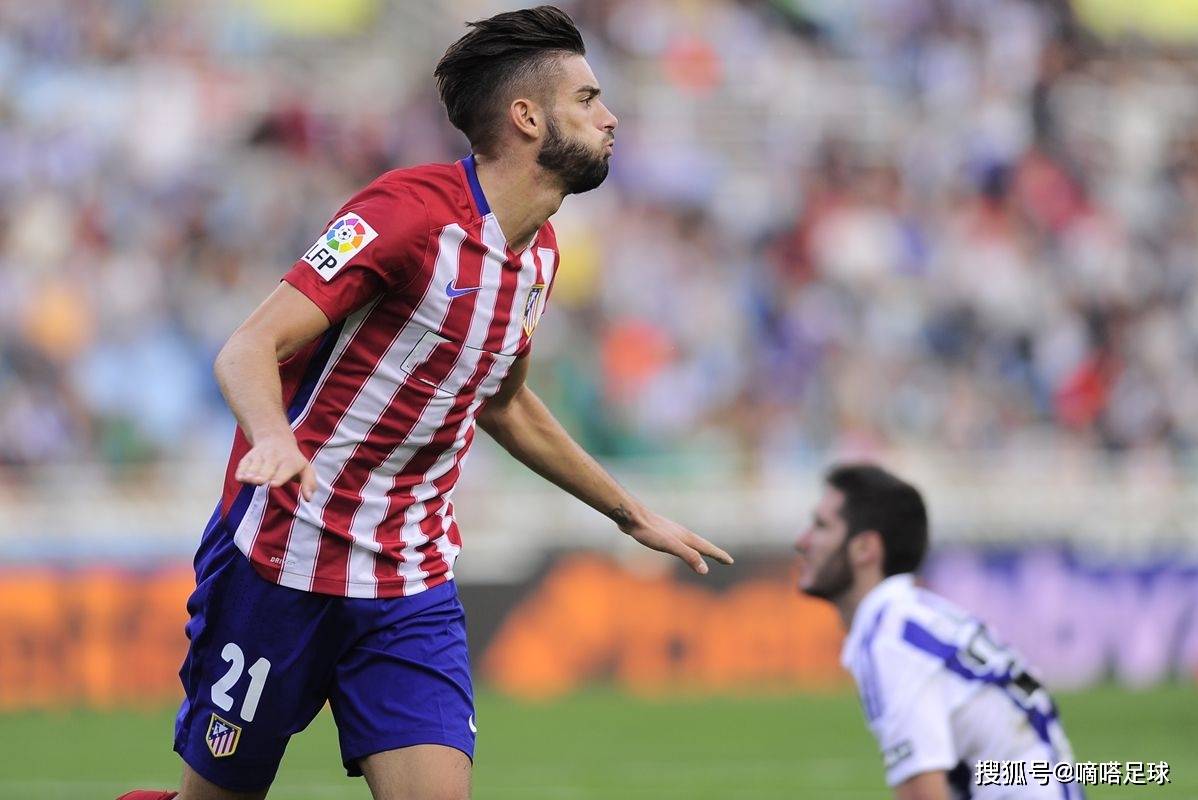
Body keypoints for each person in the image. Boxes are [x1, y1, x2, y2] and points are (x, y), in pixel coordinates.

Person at [119, 7, 732, 800]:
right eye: (587, 99)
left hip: (409, 580)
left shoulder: (539, 256)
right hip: (284, 560)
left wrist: (629, 513)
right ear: (527, 117)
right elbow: (247, 347)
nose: (609, 117)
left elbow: (506, 404)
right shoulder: (405, 216)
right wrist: (273, 437)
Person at [794, 464, 1082, 800]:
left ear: (865, 549)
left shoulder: (893, 641)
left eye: (821, 526)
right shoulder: (911, 618)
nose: (802, 542)